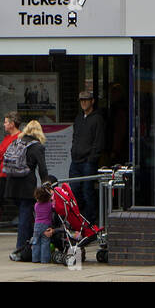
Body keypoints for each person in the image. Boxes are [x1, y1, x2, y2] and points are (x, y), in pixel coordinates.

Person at [6, 119, 50, 261]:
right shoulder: (36, 146)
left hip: (12, 184)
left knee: (26, 215)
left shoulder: (17, 142)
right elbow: (42, 169)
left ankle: (30, 246)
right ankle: (20, 249)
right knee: (25, 217)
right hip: (26, 185)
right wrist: (47, 185)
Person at [69, 90, 107, 221]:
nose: (83, 103)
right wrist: (73, 151)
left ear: (92, 101)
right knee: (74, 190)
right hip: (76, 160)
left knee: (87, 191)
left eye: (86, 100)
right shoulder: (78, 118)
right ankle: (80, 217)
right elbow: (75, 137)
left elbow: (99, 141)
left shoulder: (97, 119)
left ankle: (90, 219)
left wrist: (92, 158)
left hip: (88, 161)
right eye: (81, 100)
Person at [31, 184, 55, 264]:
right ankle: (44, 260)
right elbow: (53, 209)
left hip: (37, 225)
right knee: (45, 242)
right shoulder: (49, 205)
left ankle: (35, 258)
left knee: (36, 242)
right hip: (46, 225)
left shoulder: (36, 205)